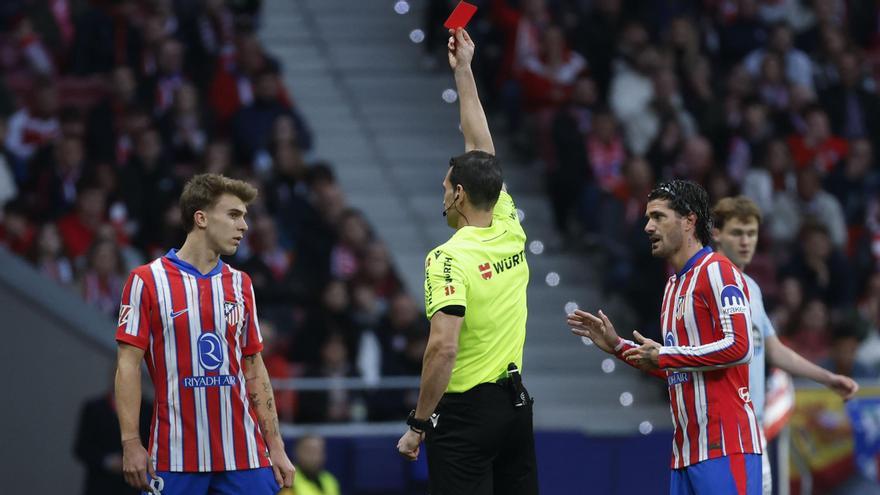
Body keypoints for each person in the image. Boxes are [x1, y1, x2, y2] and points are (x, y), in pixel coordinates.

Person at [395, 28, 538, 495]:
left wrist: (418, 423)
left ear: (459, 194)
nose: (442, 193)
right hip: (515, 409)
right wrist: (463, 70)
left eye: (444, 186)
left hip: (465, 416)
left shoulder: (447, 258)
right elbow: (481, 149)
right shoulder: (508, 221)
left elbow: (443, 348)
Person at [567, 180, 762, 494]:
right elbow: (677, 367)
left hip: (726, 447)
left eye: (658, 217)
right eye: (647, 218)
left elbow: (740, 347)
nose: (647, 227)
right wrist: (619, 347)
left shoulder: (718, 272)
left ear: (689, 221)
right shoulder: (672, 287)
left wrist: (666, 356)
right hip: (685, 454)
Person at [114, 173, 295, 494]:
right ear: (201, 218)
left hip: (245, 455)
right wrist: (131, 442)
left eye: (245, 217)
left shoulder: (241, 284)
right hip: (175, 456)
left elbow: (254, 367)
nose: (244, 226)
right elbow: (128, 366)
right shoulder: (146, 280)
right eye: (234, 215)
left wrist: (276, 446)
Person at [711, 195, 859, 495]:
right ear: (716, 233)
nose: (745, 242)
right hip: (723, 431)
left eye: (751, 234)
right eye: (737, 233)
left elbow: (773, 350)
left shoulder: (750, 287)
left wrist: (829, 378)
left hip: (754, 432)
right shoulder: (706, 283)